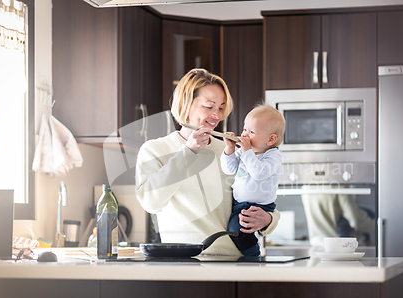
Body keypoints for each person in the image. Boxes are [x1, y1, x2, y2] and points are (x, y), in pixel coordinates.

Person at [135, 68, 279, 256]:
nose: (217, 115)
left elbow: (261, 193)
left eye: (220, 108)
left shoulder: (229, 152)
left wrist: (268, 219)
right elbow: (151, 203)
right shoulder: (154, 150)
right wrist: (188, 152)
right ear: (186, 104)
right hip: (186, 264)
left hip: (236, 262)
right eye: (209, 107)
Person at [220, 104, 285, 256]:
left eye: (252, 132)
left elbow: (259, 173)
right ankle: (251, 255)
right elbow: (228, 169)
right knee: (236, 231)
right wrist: (229, 150)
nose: (245, 135)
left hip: (260, 206)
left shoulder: (273, 156)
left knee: (238, 231)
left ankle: (253, 257)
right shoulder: (244, 152)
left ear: (271, 139)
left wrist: (246, 151)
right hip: (239, 205)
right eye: (244, 129)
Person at [301, 186, 376, 247]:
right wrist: (374, 223)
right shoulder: (339, 186)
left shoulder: (306, 187)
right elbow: (355, 221)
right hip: (340, 248)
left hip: (316, 246)